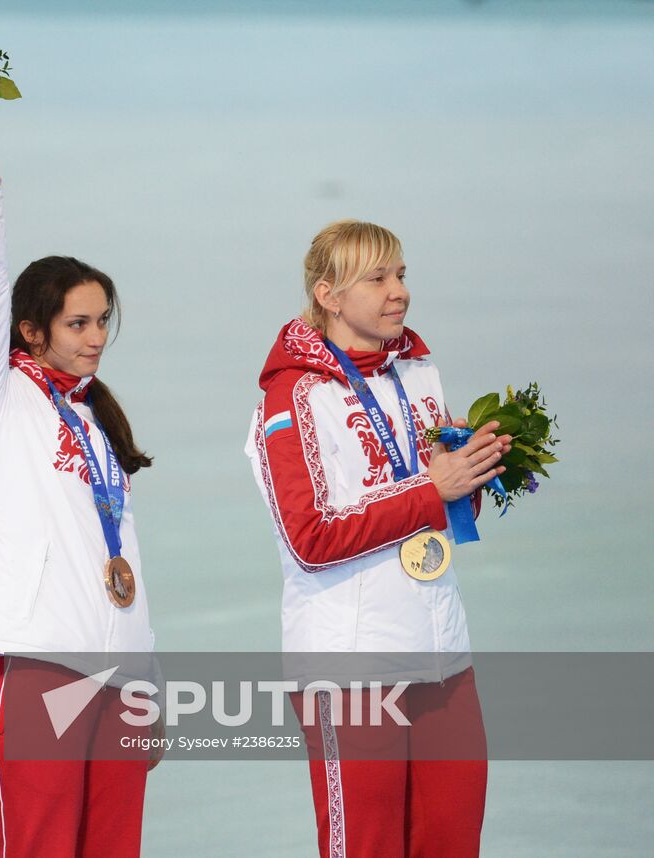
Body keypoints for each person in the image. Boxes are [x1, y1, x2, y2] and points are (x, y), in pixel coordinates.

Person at [0, 89, 157, 858]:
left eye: (102, 322)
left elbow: (114, 554)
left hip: (121, 675)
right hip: (36, 666)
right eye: (77, 323)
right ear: (32, 331)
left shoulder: (97, 419)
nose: (96, 338)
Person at [244, 220, 510, 857]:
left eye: (402, 275)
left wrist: (476, 468)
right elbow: (310, 537)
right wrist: (430, 490)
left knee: (453, 842)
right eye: (379, 278)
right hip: (354, 668)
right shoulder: (293, 400)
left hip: (444, 655)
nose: (399, 292)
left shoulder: (418, 372)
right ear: (329, 295)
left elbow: (443, 507)